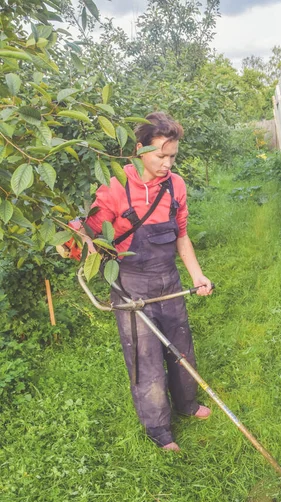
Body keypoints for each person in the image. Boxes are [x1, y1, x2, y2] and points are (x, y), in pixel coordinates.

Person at [85, 112, 213, 451]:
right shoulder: (114, 188)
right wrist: (73, 235)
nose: (168, 163)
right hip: (131, 287)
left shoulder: (175, 186)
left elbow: (181, 236)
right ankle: (159, 429)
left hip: (169, 281)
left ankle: (186, 404)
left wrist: (196, 275)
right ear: (139, 151)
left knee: (181, 347)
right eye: (161, 156)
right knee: (146, 360)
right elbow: (92, 237)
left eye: (173, 156)